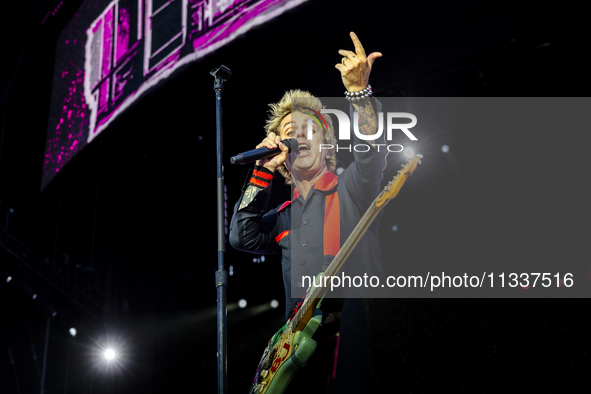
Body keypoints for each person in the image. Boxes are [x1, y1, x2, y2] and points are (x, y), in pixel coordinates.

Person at [230, 32, 387, 393]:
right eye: (289, 133)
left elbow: (371, 154)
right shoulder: (284, 217)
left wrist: (359, 95)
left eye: (307, 129)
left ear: (326, 141)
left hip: (356, 337)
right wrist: (262, 169)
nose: (297, 136)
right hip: (300, 355)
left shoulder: (351, 187)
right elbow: (242, 236)